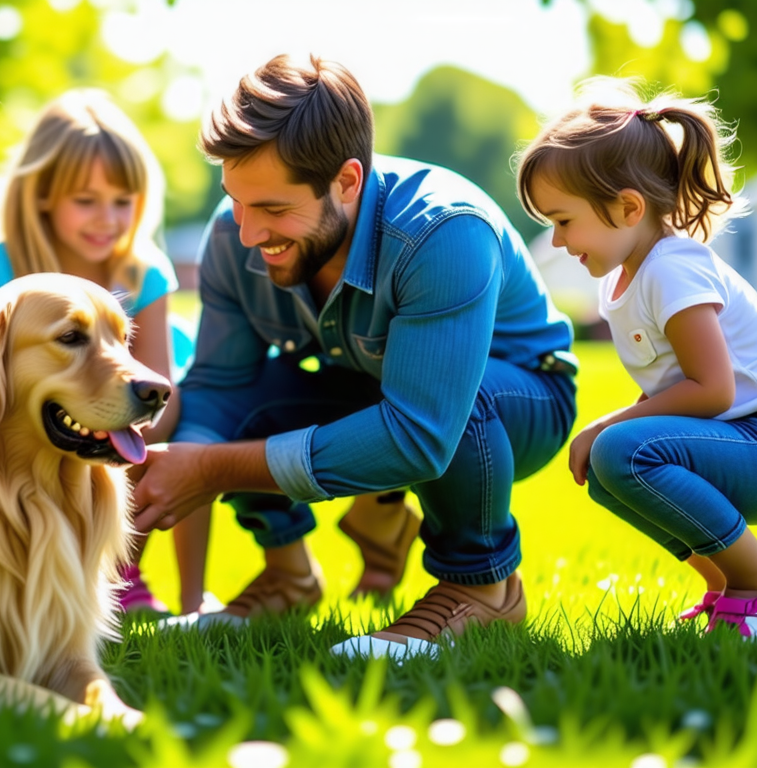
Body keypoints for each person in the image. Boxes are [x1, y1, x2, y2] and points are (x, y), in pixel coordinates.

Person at [131, 54, 578, 659]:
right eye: (236, 200)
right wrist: (173, 464)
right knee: (234, 409)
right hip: (367, 386)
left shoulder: (442, 232)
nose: (247, 234)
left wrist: (211, 469)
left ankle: (483, 588)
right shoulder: (230, 235)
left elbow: (421, 433)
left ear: (346, 181)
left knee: (450, 400)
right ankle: (289, 578)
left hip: (511, 404)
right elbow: (219, 383)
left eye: (271, 209)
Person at [516, 79, 757, 644]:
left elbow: (712, 390)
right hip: (749, 439)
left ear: (627, 207)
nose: (555, 241)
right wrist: (612, 432)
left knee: (618, 450)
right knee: (606, 473)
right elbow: (674, 386)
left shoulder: (672, 269)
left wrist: (608, 424)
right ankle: (728, 588)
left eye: (563, 220)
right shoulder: (627, 276)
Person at [0, 89, 212, 616]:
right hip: (37, 410)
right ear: (43, 194)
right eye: (87, 201)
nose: (108, 220)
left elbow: (161, 387)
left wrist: (114, 427)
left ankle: (170, 594)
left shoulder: (143, 271)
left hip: (137, 396)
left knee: (193, 435)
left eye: (123, 202)